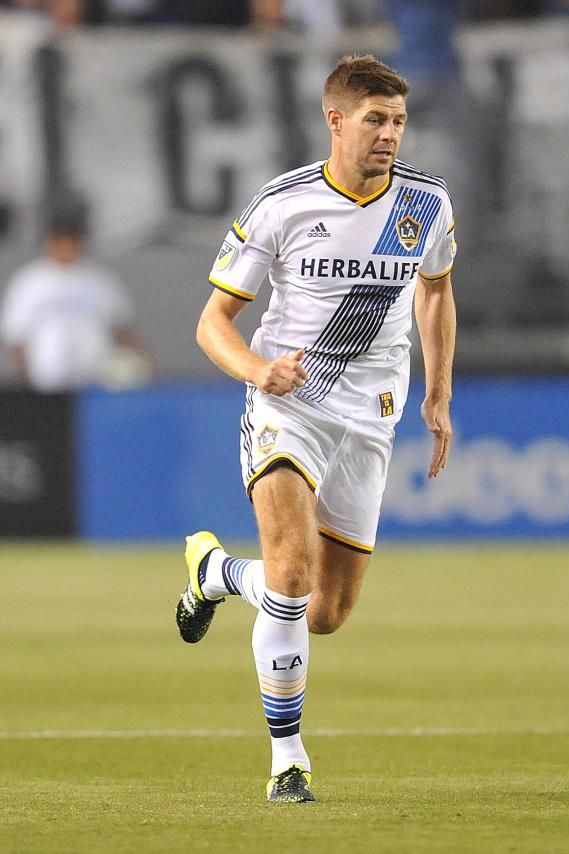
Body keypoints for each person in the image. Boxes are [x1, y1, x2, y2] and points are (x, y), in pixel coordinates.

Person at [176, 54, 456, 803]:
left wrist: (439, 392)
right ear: (335, 120)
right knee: (294, 575)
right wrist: (256, 371)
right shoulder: (283, 203)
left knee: (326, 614)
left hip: (372, 418)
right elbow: (212, 324)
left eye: (398, 121)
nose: (390, 135)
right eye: (375, 120)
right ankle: (287, 759)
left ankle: (218, 575)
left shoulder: (427, 204)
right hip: (288, 405)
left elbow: (434, 292)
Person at [0, 206, 151, 391]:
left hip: (95, 378)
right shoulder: (30, 282)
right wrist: (24, 379)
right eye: (60, 240)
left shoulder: (99, 279)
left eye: (71, 240)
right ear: (49, 242)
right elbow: (17, 336)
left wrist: (144, 362)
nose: (66, 246)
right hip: (47, 380)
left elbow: (122, 328)